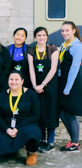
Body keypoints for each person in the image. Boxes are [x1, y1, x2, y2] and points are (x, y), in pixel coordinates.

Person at [0, 71, 41, 166]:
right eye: (11, 79)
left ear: (22, 81)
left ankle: (31, 153)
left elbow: (35, 116)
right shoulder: (2, 95)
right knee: (1, 151)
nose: (13, 82)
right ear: (8, 81)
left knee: (32, 133)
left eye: (16, 79)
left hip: (27, 125)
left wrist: (18, 128)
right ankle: (13, 150)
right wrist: (7, 129)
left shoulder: (31, 94)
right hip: (8, 126)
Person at [27, 27, 59, 153]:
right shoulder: (31, 51)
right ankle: (42, 140)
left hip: (50, 86)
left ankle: (50, 142)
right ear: (35, 37)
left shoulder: (52, 49)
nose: (41, 37)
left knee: (50, 113)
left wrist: (43, 84)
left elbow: (53, 69)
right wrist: (35, 85)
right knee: (39, 114)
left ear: (47, 36)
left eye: (44, 35)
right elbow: (31, 69)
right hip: (36, 87)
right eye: (39, 35)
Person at [58, 21, 82, 152]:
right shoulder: (65, 44)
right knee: (62, 112)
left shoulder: (77, 46)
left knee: (71, 114)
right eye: (62, 31)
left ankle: (75, 143)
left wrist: (67, 88)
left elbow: (74, 69)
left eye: (67, 30)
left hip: (71, 84)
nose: (64, 33)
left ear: (74, 30)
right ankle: (72, 139)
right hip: (62, 82)